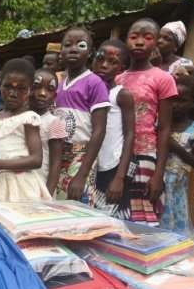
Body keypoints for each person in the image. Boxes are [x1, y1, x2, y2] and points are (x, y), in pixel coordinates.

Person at [116, 18, 177, 225]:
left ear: (156, 42)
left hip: (145, 155)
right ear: (126, 40)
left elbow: (165, 127)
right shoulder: (116, 78)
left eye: (147, 37)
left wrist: (159, 173)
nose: (139, 42)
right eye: (134, 37)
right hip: (116, 155)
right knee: (115, 213)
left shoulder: (163, 78)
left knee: (142, 219)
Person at [0, 59, 51, 202]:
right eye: (8, 86)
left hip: (21, 186)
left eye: (21, 88)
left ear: (30, 90)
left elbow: (36, 159)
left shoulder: (28, 118)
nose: (13, 93)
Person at [54, 26, 110, 202]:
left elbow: (99, 130)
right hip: (58, 153)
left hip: (81, 156)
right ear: (61, 51)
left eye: (81, 45)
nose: (73, 49)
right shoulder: (58, 83)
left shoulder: (94, 83)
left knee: (77, 205)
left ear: (91, 53)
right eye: (67, 45)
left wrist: (82, 174)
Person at [89, 40, 136, 219]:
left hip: (113, 165)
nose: (104, 65)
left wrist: (120, 177)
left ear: (121, 68)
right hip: (91, 165)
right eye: (100, 59)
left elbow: (130, 134)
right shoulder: (87, 92)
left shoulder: (121, 95)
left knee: (111, 219)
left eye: (112, 62)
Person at [161, 75, 194, 236]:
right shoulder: (158, 123)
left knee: (176, 223)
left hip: (178, 187)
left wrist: (173, 145)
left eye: (182, 101)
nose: (175, 105)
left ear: (192, 103)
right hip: (156, 183)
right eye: (172, 100)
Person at [30, 68, 67, 195]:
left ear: (54, 96)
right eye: (37, 86)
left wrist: (48, 194)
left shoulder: (54, 122)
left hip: (40, 186)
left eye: (49, 90)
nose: (42, 93)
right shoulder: (20, 118)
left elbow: (55, 162)